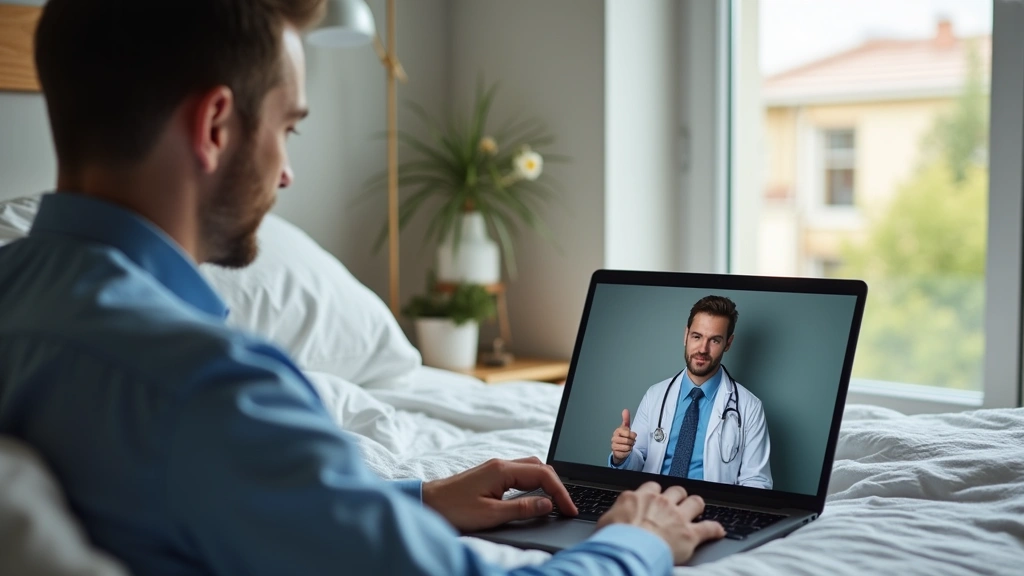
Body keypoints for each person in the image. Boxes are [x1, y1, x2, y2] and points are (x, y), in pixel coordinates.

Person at [0, 1, 726, 574]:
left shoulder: (19, 295)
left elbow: (197, 491)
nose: (287, 173)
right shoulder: (209, 384)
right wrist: (642, 540)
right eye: (289, 128)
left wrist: (417, 499)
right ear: (217, 125)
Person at [609, 296, 773, 489]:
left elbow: (757, 482)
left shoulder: (750, 408)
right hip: (654, 505)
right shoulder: (655, 395)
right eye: (697, 336)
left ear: (728, 343)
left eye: (715, 340)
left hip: (711, 512)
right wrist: (623, 456)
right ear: (686, 335)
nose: (702, 349)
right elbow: (637, 463)